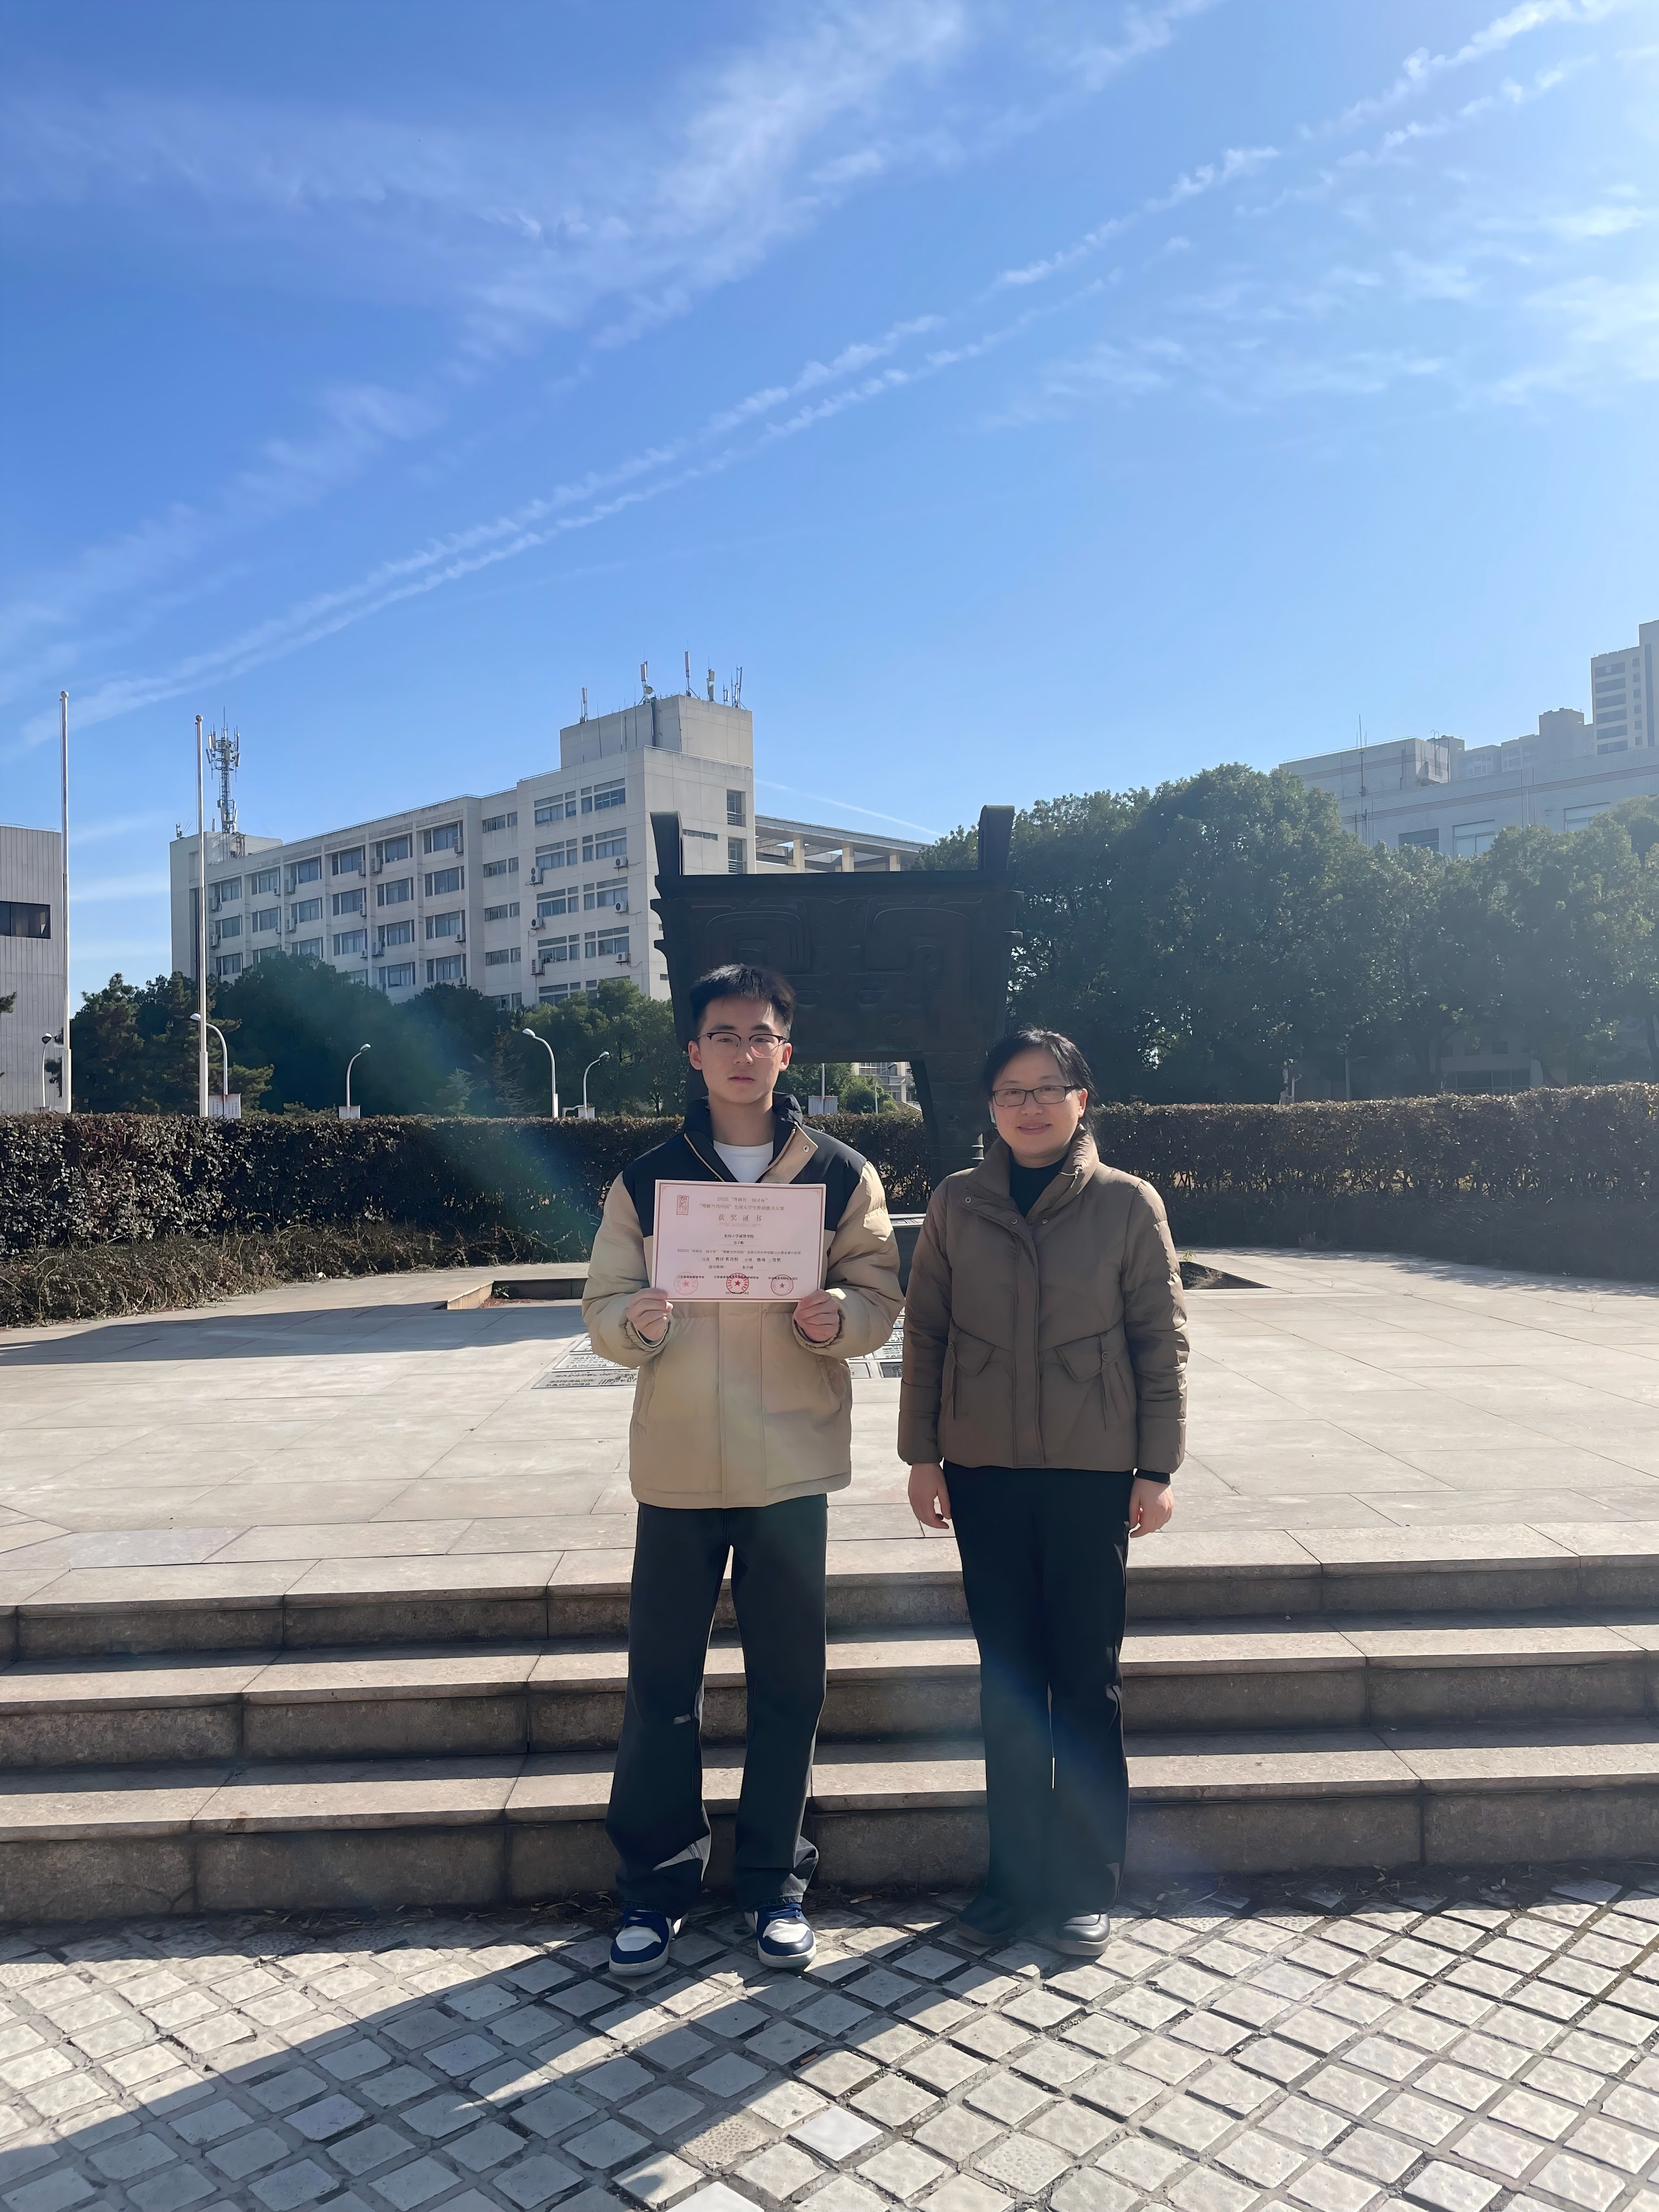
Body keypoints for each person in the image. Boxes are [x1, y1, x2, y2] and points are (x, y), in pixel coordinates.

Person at [584, 963, 902, 1978]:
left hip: (790, 1464)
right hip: (678, 1465)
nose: (742, 1052)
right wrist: (634, 1324)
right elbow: (601, 1305)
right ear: (694, 1052)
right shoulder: (648, 1180)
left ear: (785, 1053)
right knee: (662, 1687)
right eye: (722, 1035)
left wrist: (840, 1320)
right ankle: (655, 1888)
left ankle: (775, 1885)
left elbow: (879, 1291)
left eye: (760, 1035)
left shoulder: (839, 1174)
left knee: (789, 1683)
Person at [900, 1026, 1187, 1956]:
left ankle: (1087, 1882)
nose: (1029, 1106)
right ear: (990, 1107)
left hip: (1090, 1472)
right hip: (983, 1469)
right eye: (1011, 1091)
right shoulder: (957, 1201)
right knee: (1010, 1682)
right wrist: (923, 1456)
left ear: (1081, 1099)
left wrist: (1157, 1469)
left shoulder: (1127, 1203)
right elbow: (926, 1333)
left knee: (1085, 1680)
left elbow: (1161, 1342)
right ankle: (1013, 1879)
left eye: (1047, 1088)